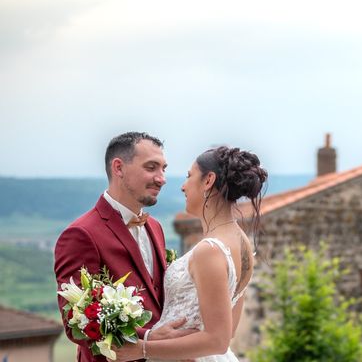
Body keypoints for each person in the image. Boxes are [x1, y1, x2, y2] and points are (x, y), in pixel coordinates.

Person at [113, 146, 267, 362]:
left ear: (208, 181)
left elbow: (218, 340)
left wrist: (142, 349)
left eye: (189, 176)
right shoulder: (242, 243)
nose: (183, 187)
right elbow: (228, 329)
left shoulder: (209, 251)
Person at [54, 132, 193, 362]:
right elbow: (74, 322)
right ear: (118, 168)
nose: (162, 178)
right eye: (151, 167)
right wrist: (148, 337)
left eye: (163, 169)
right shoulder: (81, 235)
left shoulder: (155, 227)